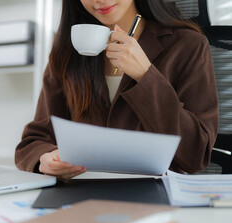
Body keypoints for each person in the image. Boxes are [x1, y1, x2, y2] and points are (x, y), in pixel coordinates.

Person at [15, 0, 219, 181]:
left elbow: (196, 155)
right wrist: (46, 159)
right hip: (80, 194)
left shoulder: (188, 45)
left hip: (151, 197)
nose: (100, 0)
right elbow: (34, 141)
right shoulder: (67, 53)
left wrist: (145, 76)